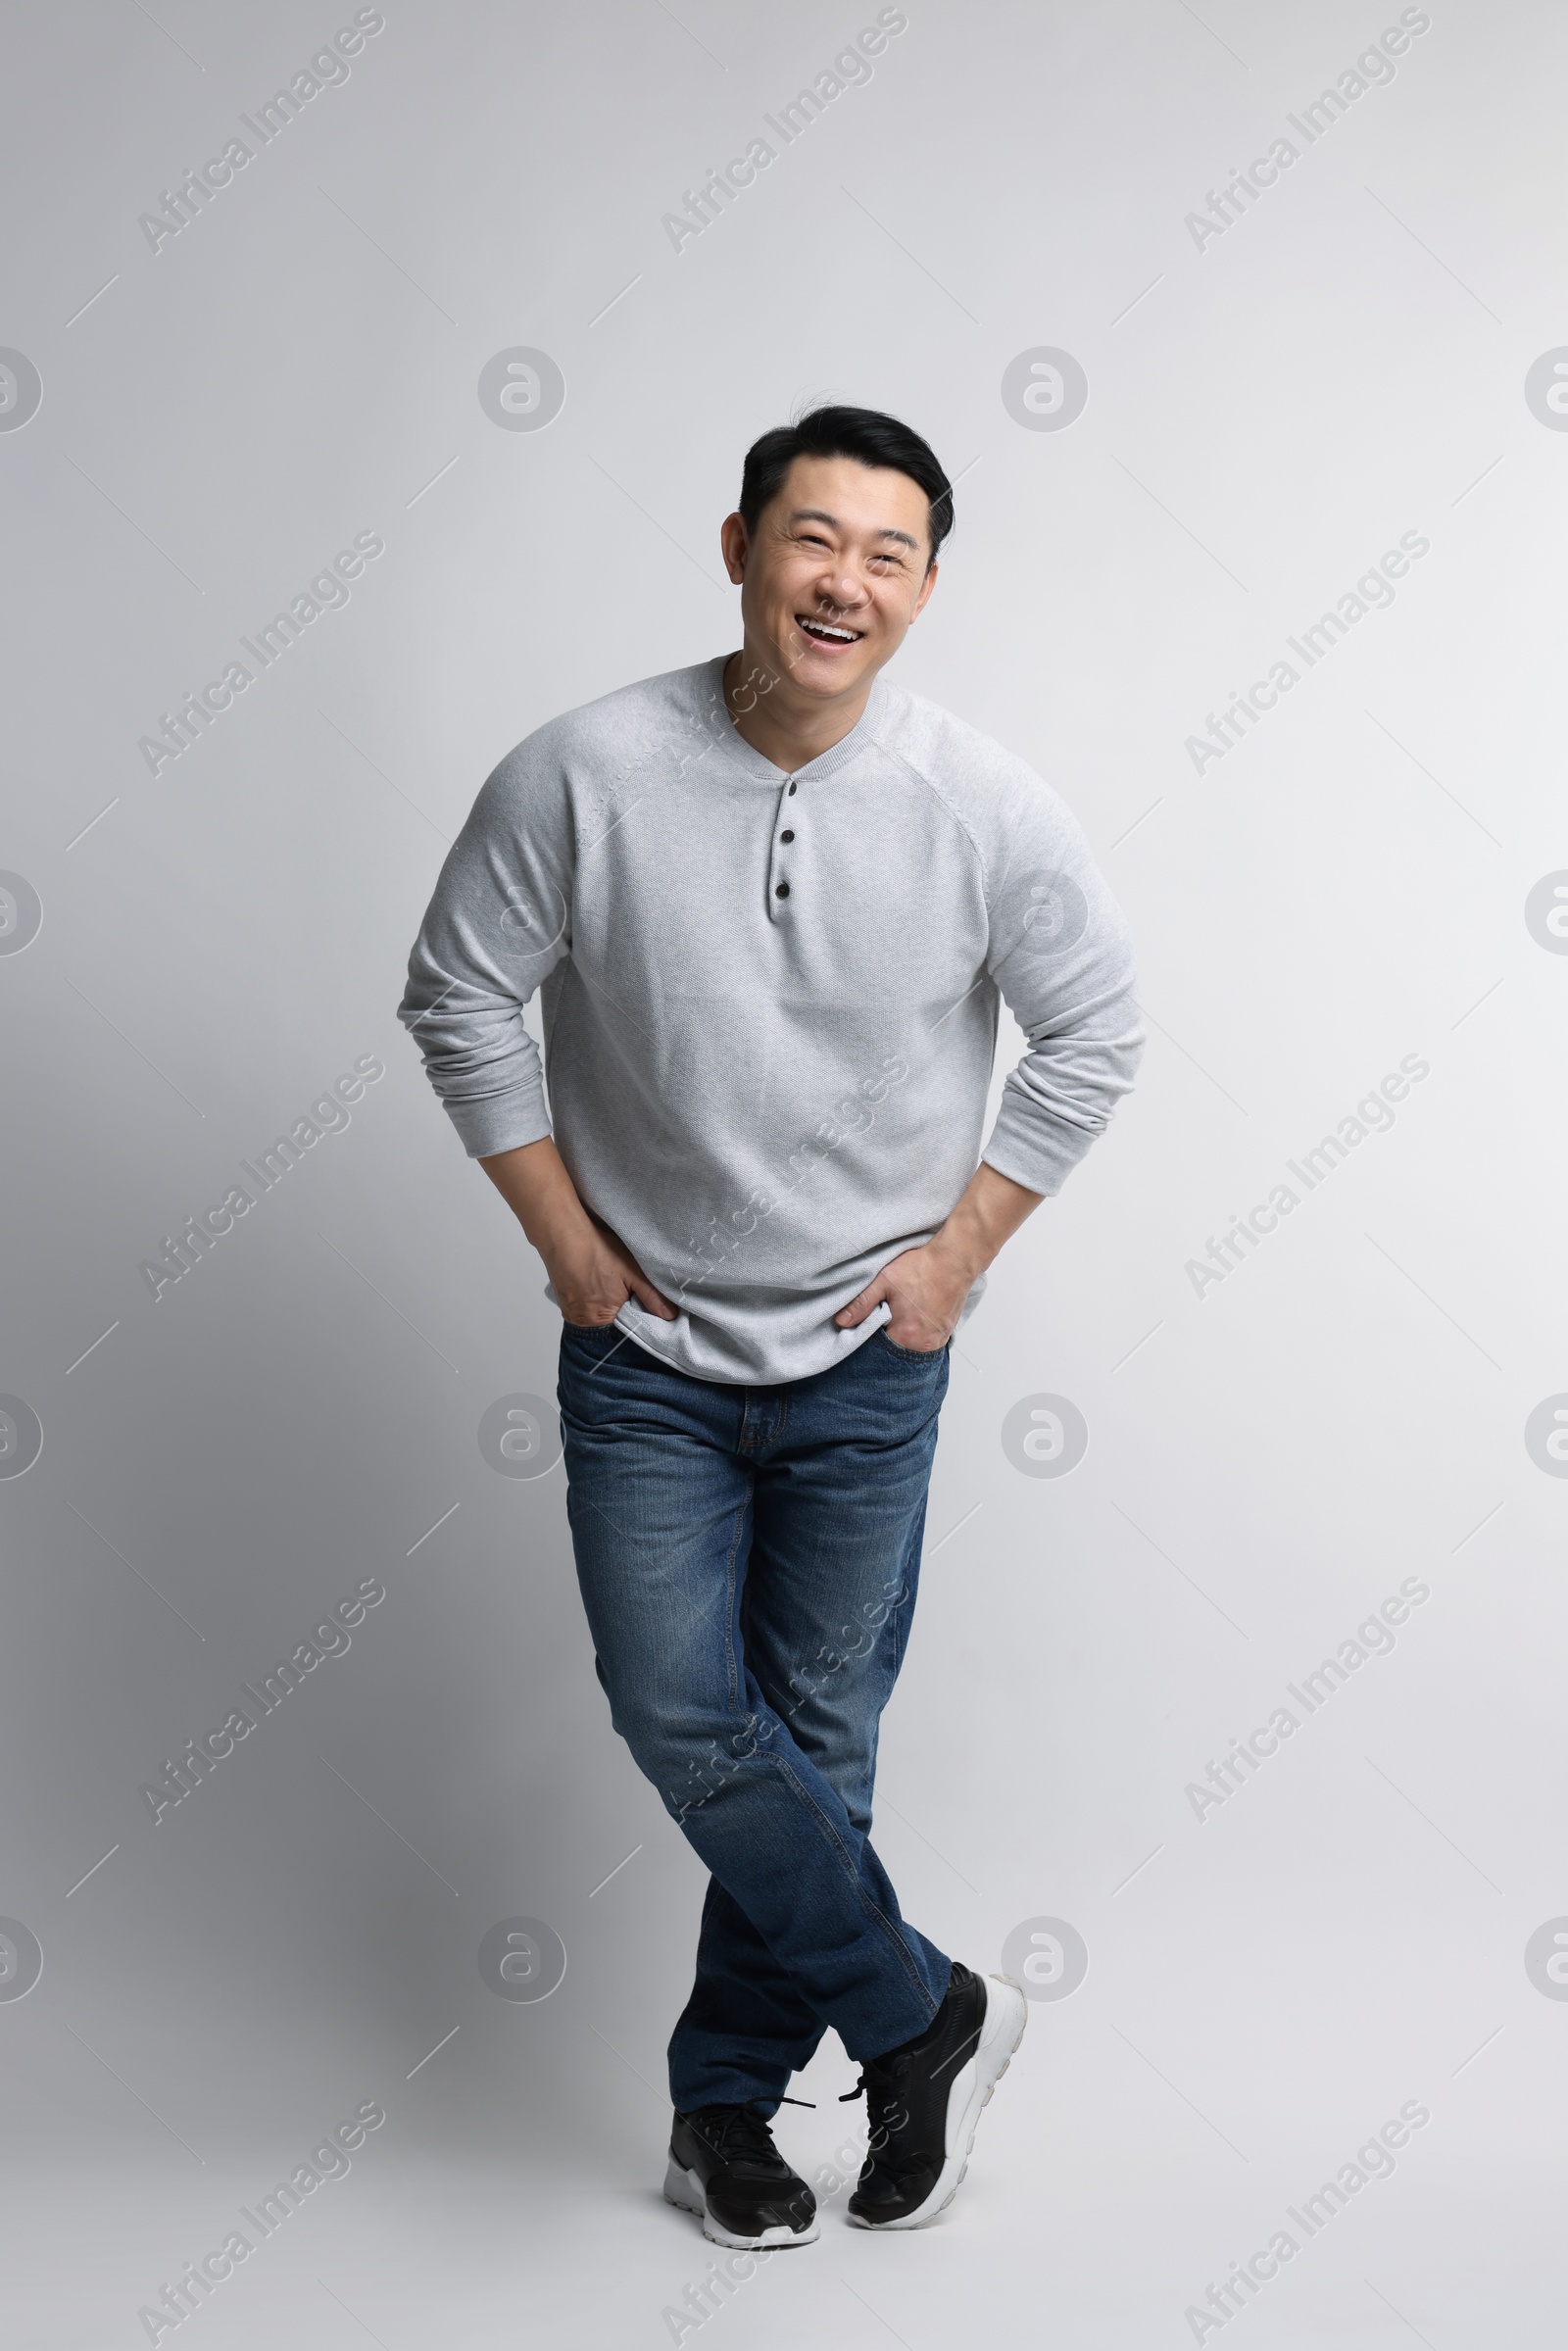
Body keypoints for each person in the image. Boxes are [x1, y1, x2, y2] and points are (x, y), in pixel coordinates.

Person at [398, 405, 1142, 2245]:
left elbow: (1100, 1032)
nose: (846, 583)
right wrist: (563, 1239)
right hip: (642, 1352)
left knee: (816, 1742)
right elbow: (457, 995)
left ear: (926, 589)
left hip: (868, 1366)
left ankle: (725, 2113)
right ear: (738, 547)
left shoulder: (981, 802)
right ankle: (924, 2018)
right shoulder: (580, 773)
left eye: (889, 556)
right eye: (815, 540)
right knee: (682, 1710)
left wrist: (960, 1249)